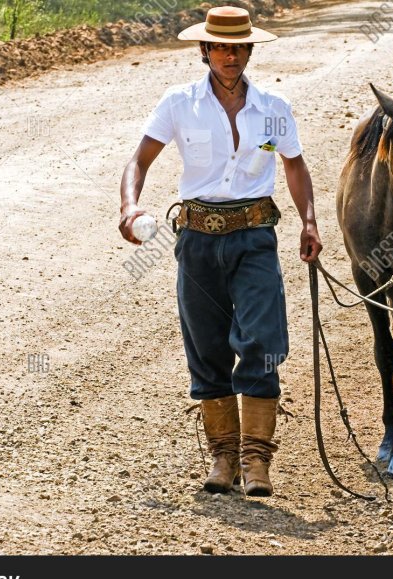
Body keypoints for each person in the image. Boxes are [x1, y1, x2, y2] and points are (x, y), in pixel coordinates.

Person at [119, 6, 322, 497]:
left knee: (261, 338)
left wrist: (309, 221)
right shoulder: (178, 104)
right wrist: (129, 206)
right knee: (206, 346)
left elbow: (294, 167)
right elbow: (139, 159)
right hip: (196, 241)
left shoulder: (274, 107)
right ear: (204, 50)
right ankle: (223, 457)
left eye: (240, 47)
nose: (231, 56)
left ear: (250, 51)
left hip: (254, 236)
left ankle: (257, 461)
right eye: (222, 47)